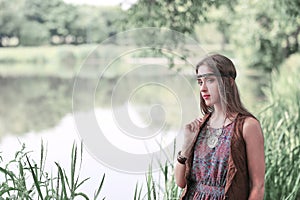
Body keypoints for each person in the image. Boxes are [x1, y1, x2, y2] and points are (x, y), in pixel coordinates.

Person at [174, 54, 265, 200]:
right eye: (200, 82)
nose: (203, 88)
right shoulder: (199, 126)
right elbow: (180, 182)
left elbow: (258, 186)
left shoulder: (248, 126)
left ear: (228, 82)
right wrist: (186, 146)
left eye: (210, 80)